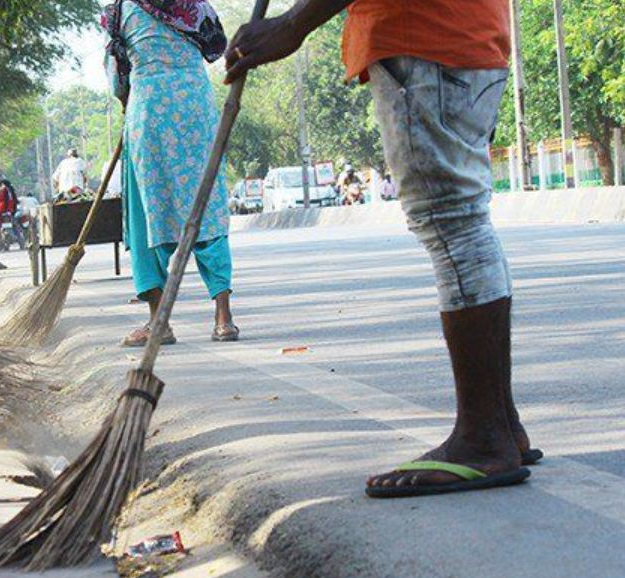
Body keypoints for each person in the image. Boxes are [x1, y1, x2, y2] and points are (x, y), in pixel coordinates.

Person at [226, 0, 537, 496]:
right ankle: (499, 423)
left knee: (451, 223)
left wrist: (290, 26)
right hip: (463, 35)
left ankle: (483, 438)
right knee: (464, 222)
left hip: (427, 34)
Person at [103, 0, 239, 346]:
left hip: (149, 112)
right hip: (196, 109)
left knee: (150, 214)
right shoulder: (196, 7)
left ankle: (158, 321)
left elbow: (118, 80)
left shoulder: (119, 12)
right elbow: (216, 47)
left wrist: (127, 103)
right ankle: (223, 317)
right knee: (207, 206)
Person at [0, 175, 26, 250]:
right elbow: (15, 201)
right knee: (14, 226)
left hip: (1, 211)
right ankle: (21, 242)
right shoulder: (11, 189)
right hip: (11, 211)